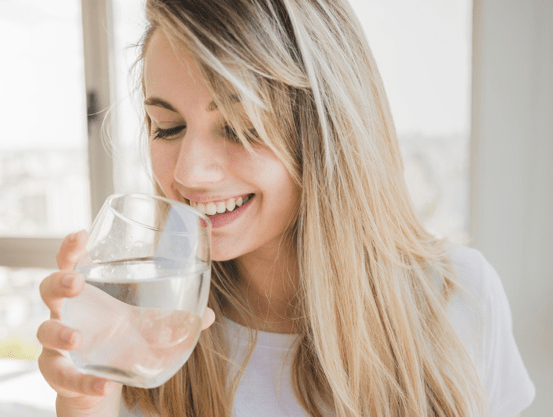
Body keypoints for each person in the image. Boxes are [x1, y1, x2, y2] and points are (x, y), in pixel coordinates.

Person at [36, 1, 536, 416]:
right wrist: (85, 405)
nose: (188, 172)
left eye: (237, 125)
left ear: (326, 130)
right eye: (166, 127)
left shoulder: (461, 299)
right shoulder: (138, 337)